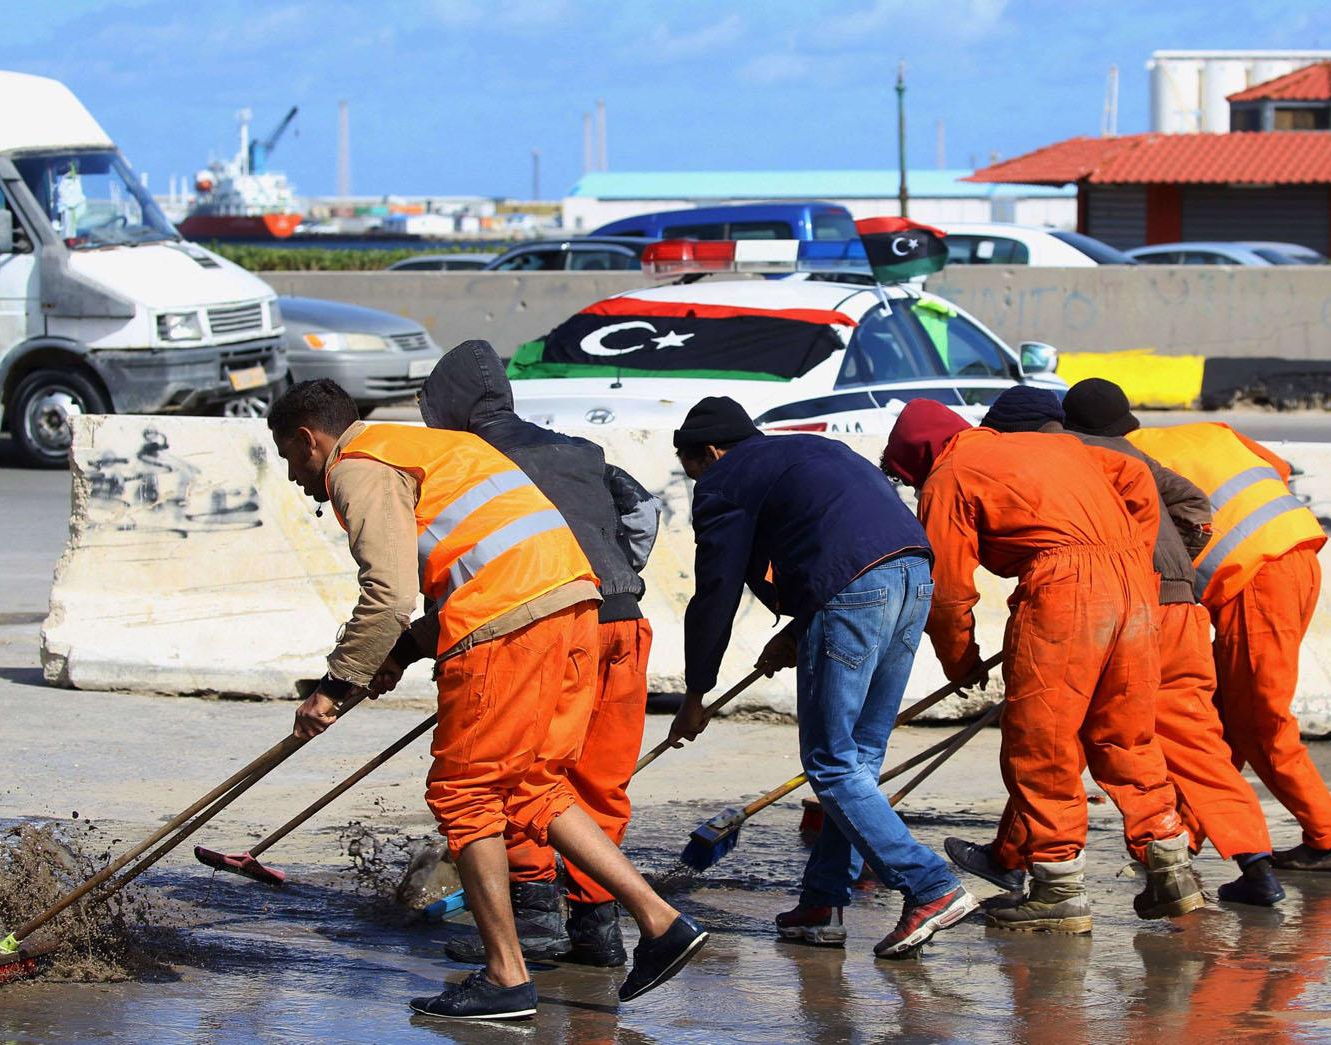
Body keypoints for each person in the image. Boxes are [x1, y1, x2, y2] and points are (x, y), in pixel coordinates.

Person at [267, 379, 706, 1021]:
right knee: (536, 788)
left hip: (508, 627)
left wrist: (336, 686)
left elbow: (386, 592)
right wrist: (397, 654)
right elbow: (474, 562)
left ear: (310, 439)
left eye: (288, 457)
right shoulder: (428, 448)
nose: (294, 476)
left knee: (465, 795)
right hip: (573, 609)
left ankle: (505, 977)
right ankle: (662, 921)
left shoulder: (357, 467)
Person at [666, 396, 976, 959]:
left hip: (854, 593)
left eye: (692, 469)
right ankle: (822, 902)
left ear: (709, 452)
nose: (696, 485)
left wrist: (695, 692)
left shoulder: (724, 480)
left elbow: (716, 589)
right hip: (913, 578)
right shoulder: (812, 450)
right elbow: (833, 534)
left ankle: (930, 886)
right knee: (858, 760)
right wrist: (802, 623)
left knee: (830, 764)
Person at [952, 386, 1284, 907]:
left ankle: (1048, 877)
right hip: (1166, 608)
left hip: (1125, 605)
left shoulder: (1058, 454)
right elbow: (1193, 505)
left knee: (1051, 736)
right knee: (1147, 742)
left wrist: (1127, 570)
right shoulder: (1118, 454)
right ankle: (1219, 865)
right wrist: (1154, 563)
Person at [882, 398, 1203, 934]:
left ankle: (1057, 889)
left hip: (1063, 591)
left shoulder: (949, 475)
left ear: (917, 457)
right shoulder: (1059, 446)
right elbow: (1134, 477)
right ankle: (1171, 868)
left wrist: (959, 660)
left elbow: (947, 593)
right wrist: (1129, 553)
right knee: (1127, 737)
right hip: (1135, 588)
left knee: (1043, 745)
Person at [415, 339, 661, 967]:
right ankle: (597, 933)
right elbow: (642, 516)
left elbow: (455, 561)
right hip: (621, 620)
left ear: (446, 406)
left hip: (538, 630)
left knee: (524, 776)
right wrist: (608, 578)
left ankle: (533, 926)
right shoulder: (581, 450)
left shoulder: (465, 462)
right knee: (601, 780)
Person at [1063, 378, 1331, 874]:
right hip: (1299, 551)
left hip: (1256, 576)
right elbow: (1278, 469)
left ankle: (1330, 838)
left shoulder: (1114, 463)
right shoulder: (1206, 430)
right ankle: (1193, 829)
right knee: (1224, 710)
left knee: (1259, 719)